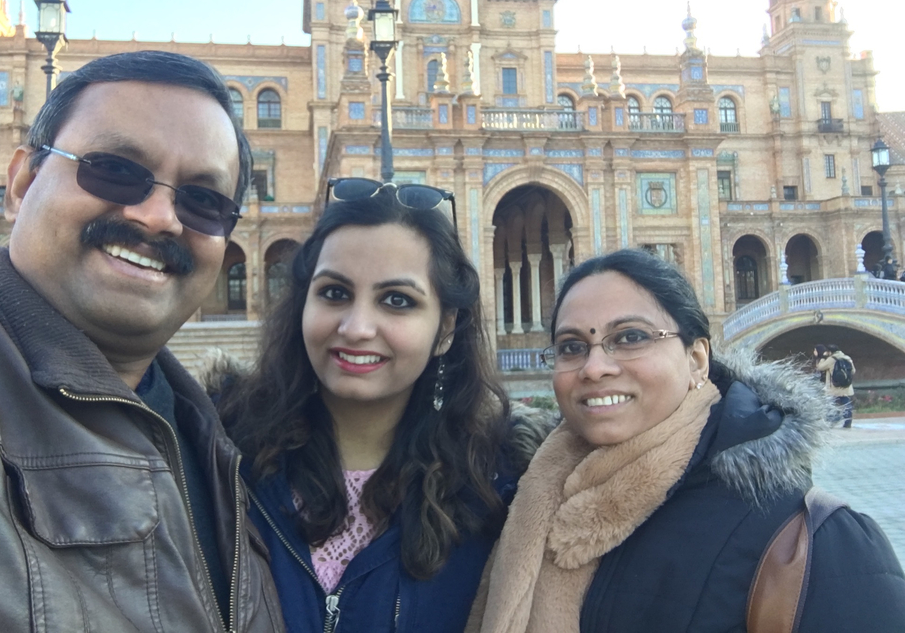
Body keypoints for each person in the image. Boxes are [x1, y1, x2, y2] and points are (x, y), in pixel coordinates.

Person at [0, 51, 283, 632]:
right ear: (22, 182)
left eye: (202, 200)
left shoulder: (216, 441)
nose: (158, 217)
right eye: (115, 170)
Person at [468, 248, 905, 633]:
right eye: (570, 346)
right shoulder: (521, 496)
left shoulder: (812, 543)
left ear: (698, 359)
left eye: (631, 337)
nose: (594, 367)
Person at [218, 180, 546, 633]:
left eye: (397, 300)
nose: (356, 328)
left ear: (446, 328)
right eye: (335, 293)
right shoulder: (221, 459)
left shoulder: (501, 486)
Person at [814, 343, 856, 428]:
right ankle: (848, 422)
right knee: (846, 404)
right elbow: (853, 371)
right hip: (846, 386)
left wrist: (822, 357)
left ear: (829, 352)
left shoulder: (831, 359)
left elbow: (820, 367)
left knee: (831, 405)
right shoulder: (847, 358)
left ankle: (830, 422)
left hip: (834, 387)